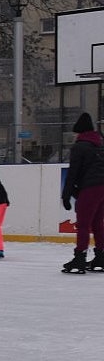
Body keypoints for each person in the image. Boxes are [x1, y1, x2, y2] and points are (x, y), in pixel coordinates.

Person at [60, 112, 104, 274]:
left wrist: (66, 194)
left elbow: (73, 173)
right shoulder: (99, 144)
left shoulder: (80, 146)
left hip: (90, 188)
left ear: (79, 131)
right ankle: (101, 257)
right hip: (102, 187)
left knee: (83, 224)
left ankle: (79, 259)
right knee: (98, 223)